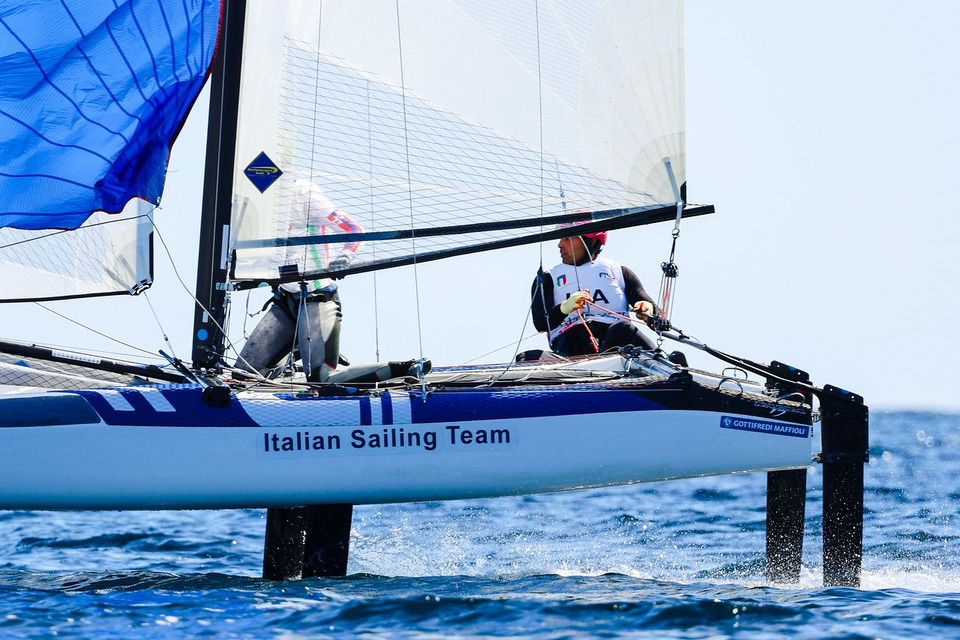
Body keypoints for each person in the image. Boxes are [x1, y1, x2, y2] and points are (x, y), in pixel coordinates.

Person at [235, 178, 361, 382]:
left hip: (316, 298)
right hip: (285, 301)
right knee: (243, 375)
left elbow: (354, 230)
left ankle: (406, 369)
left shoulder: (302, 194)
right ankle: (299, 349)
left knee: (321, 378)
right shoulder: (257, 194)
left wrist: (344, 258)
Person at [528, 227, 657, 358]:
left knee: (623, 328)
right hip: (570, 352)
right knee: (527, 357)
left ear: (592, 242)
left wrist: (649, 309)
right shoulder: (547, 278)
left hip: (615, 347)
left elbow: (658, 319)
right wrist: (564, 308)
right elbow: (541, 324)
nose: (560, 244)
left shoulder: (619, 272)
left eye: (568, 238)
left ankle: (665, 363)